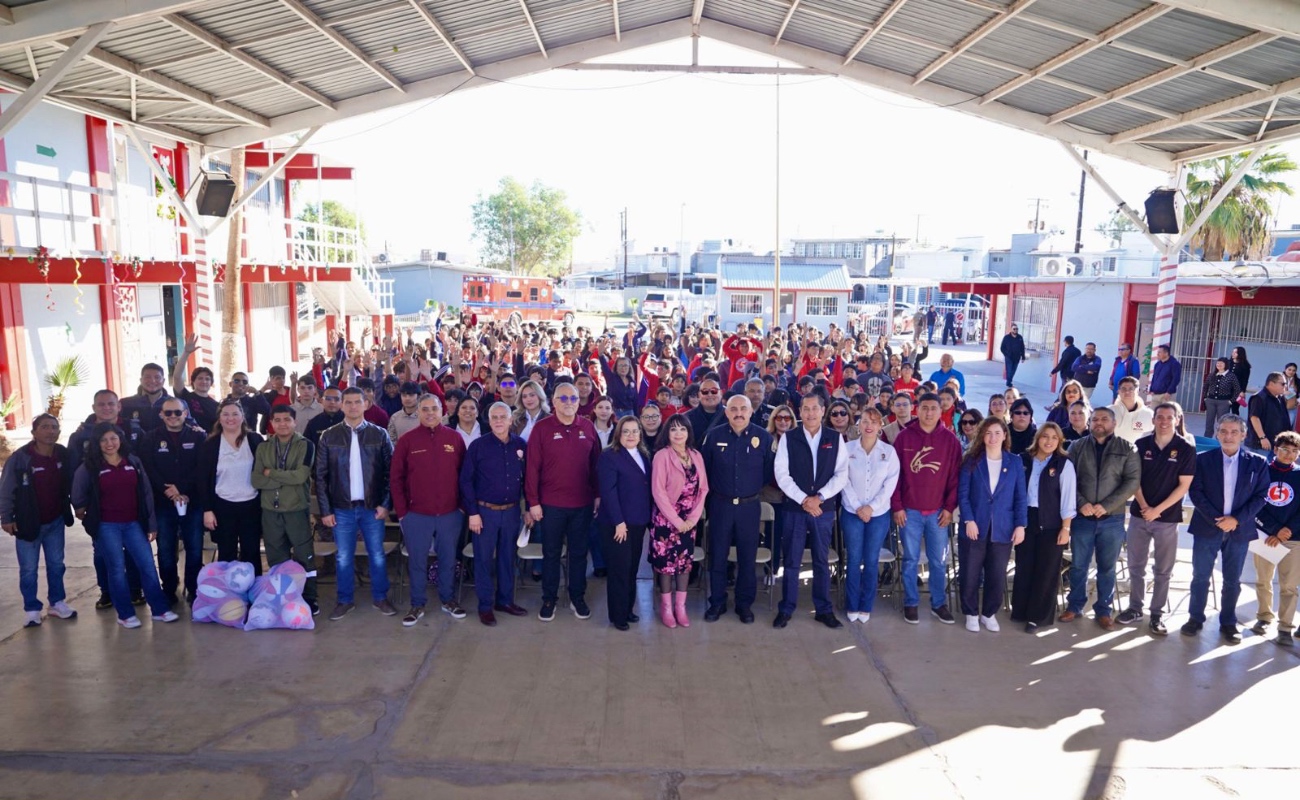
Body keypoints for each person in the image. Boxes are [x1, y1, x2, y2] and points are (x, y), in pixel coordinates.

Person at [70, 422, 179, 628]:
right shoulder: (90, 466)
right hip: (107, 526)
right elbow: (78, 493)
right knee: (116, 569)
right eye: (103, 440)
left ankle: (160, 609)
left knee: (147, 565)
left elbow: (146, 493)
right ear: (97, 443)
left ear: (120, 439)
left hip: (133, 524)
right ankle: (125, 614)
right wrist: (82, 509)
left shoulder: (133, 461)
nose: (109, 443)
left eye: (113, 438)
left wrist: (151, 524)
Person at [1184, 414, 1269, 643]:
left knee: (1233, 580)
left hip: (1239, 531)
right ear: (1217, 433)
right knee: (1200, 576)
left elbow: (1261, 496)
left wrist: (1236, 520)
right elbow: (1196, 492)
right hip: (1207, 528)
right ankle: (1195, 618)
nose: (1228, 436)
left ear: (1243, 435)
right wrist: (1218, 519)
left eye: (1234, 432)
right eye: (1223, 431)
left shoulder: (1258, 463)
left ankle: (1229, 622)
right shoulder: (1202, 460)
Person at [314, 386, 396, 621]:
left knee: (377, 554)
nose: (352, 406)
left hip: (372, 508)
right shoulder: (328, 436)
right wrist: (325, 510)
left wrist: (385, 504)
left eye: (357, 402)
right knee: (343, 557)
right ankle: (344, 600)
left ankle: (380, 597)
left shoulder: (379, 434)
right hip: (342, 509)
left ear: (366, 404)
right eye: (347, 402)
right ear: (341, 405)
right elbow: (320, 476)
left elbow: (391, 473)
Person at [1114, 403, 1196, 636]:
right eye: (1160, 417)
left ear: (1177, 419)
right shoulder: (1141, 445)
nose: (1164, 421)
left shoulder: (1186, 449)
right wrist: (1144, 506)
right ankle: (1135, 608)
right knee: (1136, 566)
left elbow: (1184, 486)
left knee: (1163, 570)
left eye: (1169, 417)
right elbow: (1134, 480)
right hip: (1140, 516)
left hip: (1167, 519)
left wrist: (1157, 510)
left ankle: (1157, 614)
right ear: (1153, 420)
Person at [525, 380, 602, 622]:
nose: (569, 402)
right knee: (551, 554)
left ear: (579, 402)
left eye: (573, 398)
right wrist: (533, 502)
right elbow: (531, 468)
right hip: (551, 506)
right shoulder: (542, 428)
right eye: (564, 398)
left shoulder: (587, 427)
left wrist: (597, 495)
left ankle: (577, 597)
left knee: (579, 554)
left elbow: (596, 465)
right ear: (554, 402)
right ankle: (549, 599)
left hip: (582, 504)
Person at [1061, 407, 1140, 630]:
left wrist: (1106, 506)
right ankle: (1075, 605)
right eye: (1095, 419)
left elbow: (1132, 482)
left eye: (1105, 419)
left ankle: (1104, 610)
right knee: (1079, 565)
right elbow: (1068, 478)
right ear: (1089, 423)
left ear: (1114, 424)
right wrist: (1081, 503)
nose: (1099, 422)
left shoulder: (1127, 448)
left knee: (1107, 567)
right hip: (1083, 517)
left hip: (1112, 519)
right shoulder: (1077, 447)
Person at [773, 392, 847, 629]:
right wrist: (804, 499)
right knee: (791, 560)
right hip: (794, 509)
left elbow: (841, 474)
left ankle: (823, 610)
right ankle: (786, 608)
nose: (810, 413)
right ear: (800, 412)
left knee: (821, 560)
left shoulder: (835, 438)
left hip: (822, 510)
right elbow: (782, 474)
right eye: (806, 408)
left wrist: (820, 498)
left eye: (815, 408)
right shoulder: (789, 438)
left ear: (823, 411)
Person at [391, 393, 466, 625]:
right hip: (416, 515)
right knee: (416, 561)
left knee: (448, 559)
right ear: (418, 413)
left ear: (442, 411)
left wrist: (462, 508)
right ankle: (417, 604)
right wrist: (402, 512)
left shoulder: (454, 438)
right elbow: (396, 478)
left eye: (434, 409)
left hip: (450, 514)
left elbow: (465, 476)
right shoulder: (407, 441)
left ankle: (448, 599)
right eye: (425, 409)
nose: (430, 413)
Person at [700, 395, 774, 625]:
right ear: (726, 412)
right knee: (718, 556)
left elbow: (768, 472)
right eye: (734, 409)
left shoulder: (763, 437)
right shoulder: (714, 436)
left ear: (751, 412)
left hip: (749, 507)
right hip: (720, 505)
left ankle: (744, 604)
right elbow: (705, 469)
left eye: (743, 409)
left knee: (747, 557)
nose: (739, 413)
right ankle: (717, 602)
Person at [890, 392, 962, 625]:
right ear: (917, 409)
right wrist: (897, 506)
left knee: (938, 561)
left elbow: (955, 478)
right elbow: (894, 476)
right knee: (910, 559)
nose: (929, 413)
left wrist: (949, 508)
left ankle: (938, 604)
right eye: (924, 408)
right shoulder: (904, 438)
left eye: (933, 408)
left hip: (938, 513)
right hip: (909, 512)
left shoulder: (950, 440)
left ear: (941, 411)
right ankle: (911, 603)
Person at [0, 414, 78, 627]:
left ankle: (57, 603)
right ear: (34, 432)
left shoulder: (63, 454)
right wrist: (6, 517)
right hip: (27, 523)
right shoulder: (20, 458)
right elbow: (6, 490)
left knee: (56, 565)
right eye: (44, 427)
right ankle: (32, 609)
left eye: (54, 427)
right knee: (28, 569)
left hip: (55, 521)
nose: (50, 431)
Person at [68, 389, 143, 607]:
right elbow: (73, 472)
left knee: (132, 549)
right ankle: (107, 592)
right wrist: (79, 503)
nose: (106, 408)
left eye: (111, 404)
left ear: (119, 406)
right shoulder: (80, 435)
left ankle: (135, 590)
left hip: (131, 501)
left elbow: (143, 462)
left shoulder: (134, 429)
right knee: (102, 551)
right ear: (94, 408)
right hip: (98, 506)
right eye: (101, 404)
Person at [460, 401, 529, 626]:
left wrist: (528, 508)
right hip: (484, 512)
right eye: (494, 417)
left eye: (503, 417)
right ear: (489, 421)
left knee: (508, 558)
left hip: (511, 512)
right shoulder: (478, 446)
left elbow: (528, 479)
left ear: (511, 420)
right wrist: (473, 513)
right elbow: (466, 481)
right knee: (483, 560)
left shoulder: (520, 444)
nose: (499, 421)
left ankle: (505, 601)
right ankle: (485, 606)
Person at [957, 417, 1027, 632]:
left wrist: (1020, 525)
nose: (993, 437)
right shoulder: (971, 460)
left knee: (996, 573)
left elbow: (1020, 497)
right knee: (970, 572)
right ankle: (970, 612)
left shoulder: (1014, 462)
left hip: (1003, 528)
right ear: (982, 436)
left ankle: (989, 613)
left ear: (1005, 435)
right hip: (974, 526)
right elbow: (963, 494)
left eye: (997, 432)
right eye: (988, 433)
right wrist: (968, 519)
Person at [251, 406, 318, 615]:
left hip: (296, 509)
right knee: (276, 556)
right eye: (277, 420)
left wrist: (271, 473)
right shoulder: (263, 447)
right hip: (270, 510)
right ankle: (281, 596)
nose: (282, 424)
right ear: (271, 423)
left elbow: (300, 476)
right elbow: (256, 480)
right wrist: (283, 479)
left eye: (287, 419)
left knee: (304, 555)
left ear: (294, 422)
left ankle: (309, 597)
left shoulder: (306, 445)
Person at [1010, 422, 1077, 631]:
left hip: (1052, 522)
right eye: (1045, 436)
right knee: (1024, 566)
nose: (1049, 441)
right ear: (1038, 438)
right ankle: (1021, 610)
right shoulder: (1023, 459)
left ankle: (1037, 617)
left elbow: (1068, 498)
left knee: (1046, 571)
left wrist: (1066, 528)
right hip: (1026, 519)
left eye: (1054, 438)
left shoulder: (1064, 464)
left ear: (1059, 441)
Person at [139, 397, 205, 605]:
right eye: (168, 413)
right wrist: (167, 490)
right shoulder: (150, 438)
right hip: (163, 503)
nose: (173, 416)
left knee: (194, 548)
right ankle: (168, 590)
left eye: (178, 412)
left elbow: (202, 468)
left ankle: (194, 588)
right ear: (161, 414)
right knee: (166, 549)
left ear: (185, 413)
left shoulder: (198, 436)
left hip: (192, 502)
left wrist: (183, 490)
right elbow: (147, 468)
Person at [840, 407, 899, 625]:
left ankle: (866, 605)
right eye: (865, 421)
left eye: (874, 422)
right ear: (859, 424)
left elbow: (889, 485)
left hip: (878, 514)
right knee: (854, 559)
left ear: (880, 426)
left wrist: (871, 508)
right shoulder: (847, 449)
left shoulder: (889, 452)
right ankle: (852, 603)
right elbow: (842, 480)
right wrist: (858, 507)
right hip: (851, 512)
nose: (869, 425)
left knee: (871, 560)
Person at [650, 414, 709, 628]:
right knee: (666, 566)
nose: (678, 433)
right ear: (667, 433)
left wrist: (692, 519)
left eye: (682, 429)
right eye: (673, 429)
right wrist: (676, 520)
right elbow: (658, 492)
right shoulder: (662, 456)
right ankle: (666, 608)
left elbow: (703, 489)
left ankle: (680, 607)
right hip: (666, 520)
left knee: (684, 565)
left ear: (688, 432)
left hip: (689, 521)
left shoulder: (696, 455)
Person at [596, 416, 652, 631]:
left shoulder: (644, 455)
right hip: (617, 524)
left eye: (635, 431)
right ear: (618, 434)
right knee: (619, 570)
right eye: (626, 431)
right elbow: (608, 492)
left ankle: (628, 609)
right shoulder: (609, 456)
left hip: (638, 521)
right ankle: (618, 616)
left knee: (632, 568)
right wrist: (619, 522)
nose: (631, 435)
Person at [198, 400, 265, 575]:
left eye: (235, 414)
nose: (230, 418)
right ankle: (228, 590)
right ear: (219, 418)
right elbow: (203, 480)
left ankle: (253, 588)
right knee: (226, 552)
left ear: (242, 417)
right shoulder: (210, 444)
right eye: (226, 414)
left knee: (251, 552)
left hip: (251, 505)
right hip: (223, 506)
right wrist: (207, 510)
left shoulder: (255, 440)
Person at [1249, 430, 1300, 647]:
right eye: (1285, 449)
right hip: (1265, 535)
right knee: (1263, 579)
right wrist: (1274, 530)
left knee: (1289, 585)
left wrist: (1287, 530)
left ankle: (1285, 627)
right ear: (1276, 449)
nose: (1289, 455)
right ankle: (1264, 616)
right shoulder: (1263, 472)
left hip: (1293, 537)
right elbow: (1254, 504)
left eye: (1294, 451)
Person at [172, 335, 218, 433]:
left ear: (211, 383)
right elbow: (177, 377)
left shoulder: (217, 405)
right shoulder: (185, 396)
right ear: (193, 381)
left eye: (207, 379)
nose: (204, 381)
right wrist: (186, 353)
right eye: (200, 378)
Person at [120, 362, 172, 434]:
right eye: (147, 377)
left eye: (157, 377)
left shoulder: (175, 405)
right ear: (141, 380)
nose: (152, 381)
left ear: (163, 381)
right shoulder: (125, 404)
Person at [1247, 371, 1290, 453]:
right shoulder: (1259, 398)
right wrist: (1262, 438)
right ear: (1271, 384)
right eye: (1283, 384)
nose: (1285, 386)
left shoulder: (1280, 397)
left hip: (1277, 444)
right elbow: (1254, 418)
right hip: (1262, 445)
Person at [1202, 357, 1242, 438]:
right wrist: (1205, 397)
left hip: (1224, 402)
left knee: (1221, 422)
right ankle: (1207, 438)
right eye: (1218, 363)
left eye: (1221, 363)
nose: (1219, 365)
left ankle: (1219, 439)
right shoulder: (1212, 375)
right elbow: (1205, 386)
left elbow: (1237, 389)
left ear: (1226, 365)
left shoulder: (1231, 376)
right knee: (1209, 421)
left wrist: (1231, 401)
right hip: (1211, 401)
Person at [1110, 376, 1153, 444]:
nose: (1127, 392)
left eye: (1131, 389)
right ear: (1118, 391)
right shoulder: (1109, 412)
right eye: (1123, 389)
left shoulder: (1149, 414)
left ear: (1137, 391)